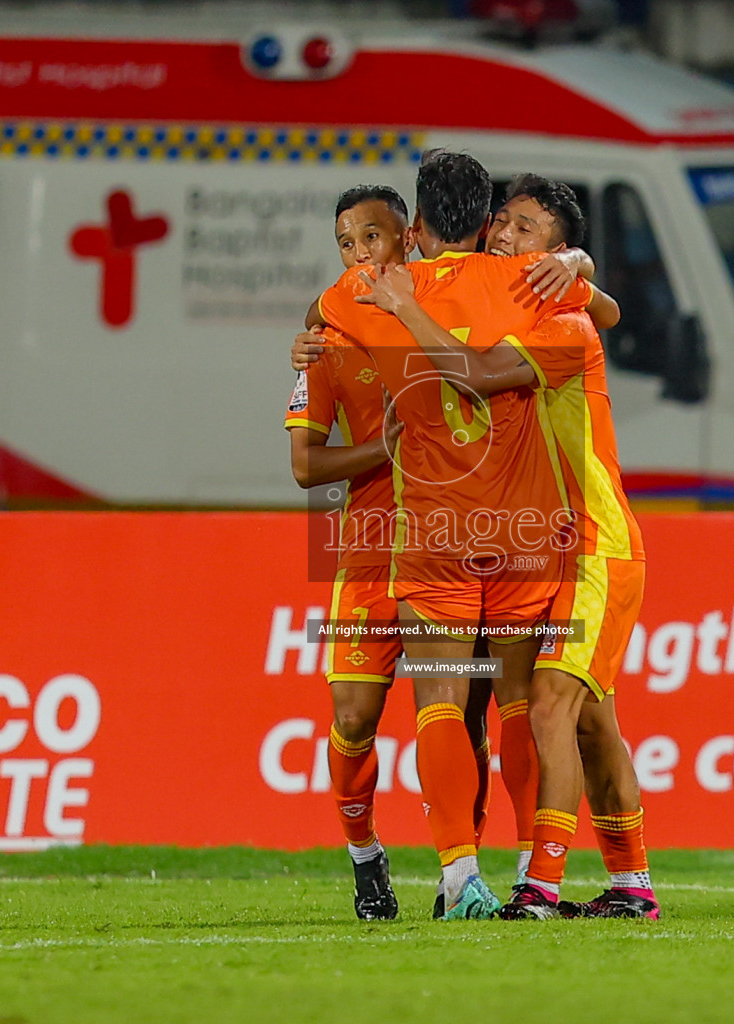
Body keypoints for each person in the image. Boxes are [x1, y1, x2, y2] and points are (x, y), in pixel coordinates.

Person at [360, 173, 659, 920]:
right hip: (553, 545)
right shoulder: (532, 302)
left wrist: (402, 304)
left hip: (598, 545)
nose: (504, 235)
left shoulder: (563, 324)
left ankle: (539, 887)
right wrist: (582, 267)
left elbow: (471, 375)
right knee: (593, 721)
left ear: (554, 251)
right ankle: (631, 885)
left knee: (552, 707)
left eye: (526, 229)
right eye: (504, 222)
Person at [312, 151, 599, 919]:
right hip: (523, 530)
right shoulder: (536, 282)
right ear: (486, 222)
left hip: (432, 529)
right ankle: (530, 878)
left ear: (414, 226)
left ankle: (456, 878)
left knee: (438, 701)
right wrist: (573, 259)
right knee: (514, 704)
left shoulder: (365, 290)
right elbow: (601, 316)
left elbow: (318, 318)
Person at [286, 184, 492, 920]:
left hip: (449, 540)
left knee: (462, 717)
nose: (357, 254)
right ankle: (365, 858)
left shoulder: (445, 305)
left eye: (370, 238)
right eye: (345, 242)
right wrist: (383, 448)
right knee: (353, 717)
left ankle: (457, 875)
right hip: (371, 549)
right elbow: (306, 467)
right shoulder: (327, 338)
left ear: (407, 238)